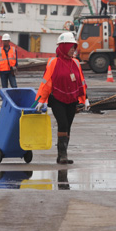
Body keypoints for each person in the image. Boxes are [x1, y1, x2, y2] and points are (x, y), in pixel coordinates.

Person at [34, 32, 90, 164]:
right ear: (64, 47)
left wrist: (85, 98)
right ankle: (62, 154)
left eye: (74, 47)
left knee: (68, 126)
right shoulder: (53, 62)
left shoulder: (76, 63)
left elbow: (81, 82)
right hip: (57, 99)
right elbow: (46, 82)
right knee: (63, 123)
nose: (73, 50)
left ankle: (62, 156)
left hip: (72, 99)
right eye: (71, 47)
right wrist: (41, 100)